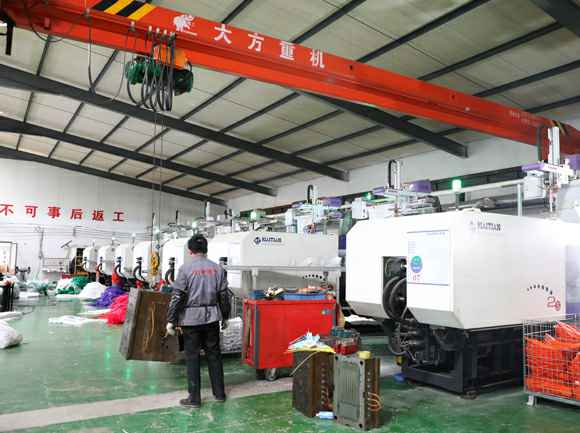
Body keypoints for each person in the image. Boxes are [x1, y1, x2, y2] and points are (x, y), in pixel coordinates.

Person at [166, 234, 229, 408]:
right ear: (206, 250)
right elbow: (224, 296)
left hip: (191, 320)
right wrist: (225, 317)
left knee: (192, 357)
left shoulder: (185, 269)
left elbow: (177, 296)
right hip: (212, 318)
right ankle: (219, 394)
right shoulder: (217, 269)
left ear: (190, 250)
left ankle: (194, 398)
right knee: (214, 355)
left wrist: (171, 320)